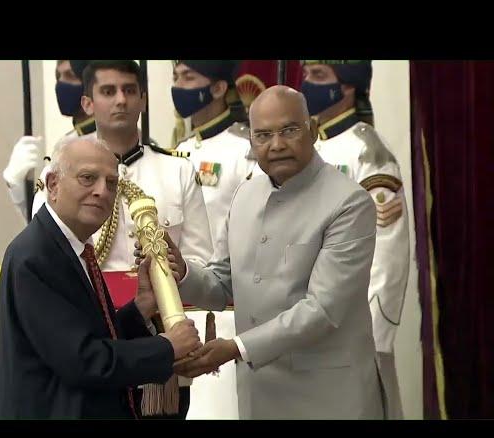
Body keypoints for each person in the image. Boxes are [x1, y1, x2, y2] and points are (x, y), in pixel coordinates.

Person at [166, 86, 385, 419]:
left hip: (328, 396)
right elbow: (222, 285)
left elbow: (323, 310)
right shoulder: (245, 195)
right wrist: (182, 272)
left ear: (312, 130)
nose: (277, 144)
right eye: (263, 135)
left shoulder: (348, 203)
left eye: (289, 130)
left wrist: (236, 348)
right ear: (252, 142)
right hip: (260, 393)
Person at [32, 60, 214, 419]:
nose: (121, 101)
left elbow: (200, 262)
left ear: (143, 99)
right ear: (87, 103)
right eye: (108, 91)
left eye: (130, 91)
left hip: (159, 338)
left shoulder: (177, 170)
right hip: (92, 341)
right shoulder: (58, 175)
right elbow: (49, 256)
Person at [0, 137, 201, 420]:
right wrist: (166, 347)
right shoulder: (35, 256)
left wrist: (140, 308)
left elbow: (91, 336)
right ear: (53, 185)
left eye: (111, 183)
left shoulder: (69, 247)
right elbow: (84, 361)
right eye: (88, 178)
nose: (102, 192)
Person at [301, 60, 409, 418]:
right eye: (306, 76)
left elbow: (388, 254)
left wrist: (374, 338)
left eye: (318, 77)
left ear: (348, 86)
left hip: (353, 335)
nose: (306, 85)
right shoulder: (306, 148)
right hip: (307, 326)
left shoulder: (369, 155)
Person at [170, 60, 257, 419]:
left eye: (188, 77)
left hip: (228, 313)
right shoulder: (177, 151)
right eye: (175, 78)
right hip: (180, 311)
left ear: (220, 88)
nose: (178, 86)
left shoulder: (244, 150)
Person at [3, 60, 95, 222]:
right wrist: (17, 185)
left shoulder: (114, 142)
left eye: (69, 75)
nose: (61, 84)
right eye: (58, 76)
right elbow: (43, 222)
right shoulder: (66, 143)